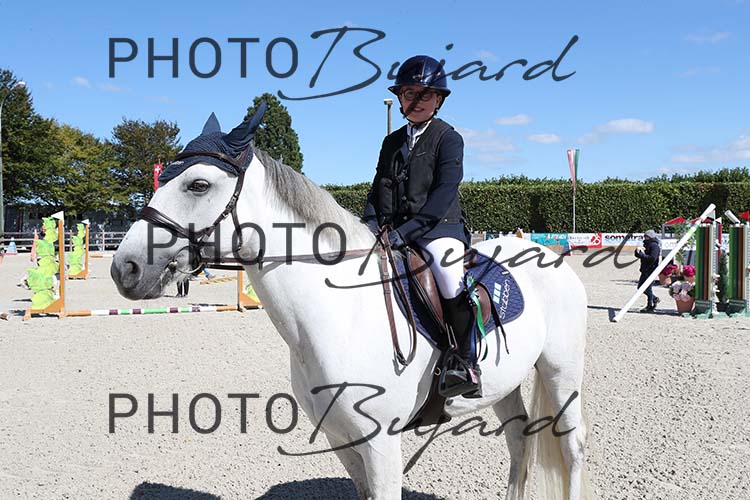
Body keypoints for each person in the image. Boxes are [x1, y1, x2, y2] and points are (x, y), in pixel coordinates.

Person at [362, 55, 480, 398]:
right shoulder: (391, 142)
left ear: (438, 99)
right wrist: (368, 225)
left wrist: (406, 232)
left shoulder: (449, 138)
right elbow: (378, 188)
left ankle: (466, 362)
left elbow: (444, 194)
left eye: (425, 95)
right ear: (400, 98)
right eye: (409, 94)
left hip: (438, 230)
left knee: (448, 276)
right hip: (394, 232)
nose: (416, 101)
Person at [635, 229, 661, 312]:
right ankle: (654, 298)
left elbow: (653, 258)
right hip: (645, 269)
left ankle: (650, 305)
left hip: (651, 269)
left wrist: (642, 255)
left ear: (650, 237)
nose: (645, 238)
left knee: (647, 288)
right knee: (640, 287)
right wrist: (637, 253)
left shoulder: (654, 246)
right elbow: (642, 256)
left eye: (646, 237)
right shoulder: (646, 244)